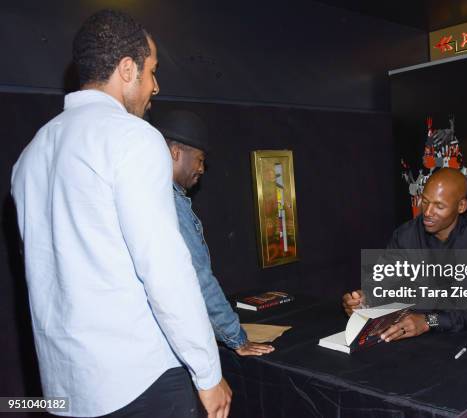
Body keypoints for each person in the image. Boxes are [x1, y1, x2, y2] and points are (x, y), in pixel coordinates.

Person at [11, 10, 230, 418]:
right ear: (127, 70)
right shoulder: (135, 138)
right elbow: (164, 269)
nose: (156, 87)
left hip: (63, 390)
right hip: (138, 383)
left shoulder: (31, 154)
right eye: (151, 72)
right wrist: (208, 373)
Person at [154, 109, 275, 356]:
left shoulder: (145, 195)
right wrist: (236, 337)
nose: (202, 169)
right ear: (175, 153)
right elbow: (197, 277)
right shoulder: (170, 205)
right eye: (199, 159)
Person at [343, 168, 467, 342]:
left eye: (439, 206)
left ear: (461, 206)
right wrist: (364, 301)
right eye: (425, 201)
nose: (427, 212)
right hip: (416, 341)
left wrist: (430, 321)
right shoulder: (406, 236)